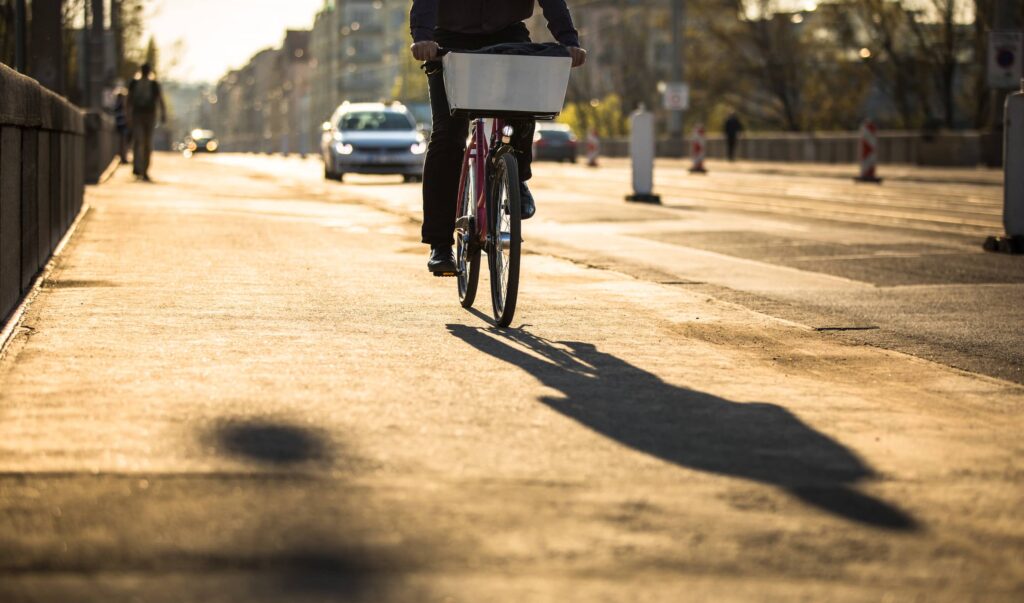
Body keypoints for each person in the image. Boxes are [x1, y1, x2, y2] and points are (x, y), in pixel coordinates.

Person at [410, 0, 587, 275]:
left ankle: (517, 177)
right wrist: (422, 37)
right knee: (447, 137)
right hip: (449, 39)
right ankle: (440, 244)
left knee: (523, 108)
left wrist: (569, 41)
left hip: (507, 34)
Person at [126, 63, 167, 181]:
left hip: (148, 116)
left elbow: (159, 100)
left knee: (146, 143)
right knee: (140, 141)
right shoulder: (135, 83)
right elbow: (129, 101)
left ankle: (143, 169)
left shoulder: (153, 85)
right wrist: (128, 116)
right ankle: (138, 168)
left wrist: (163, 113)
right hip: (138, 115)